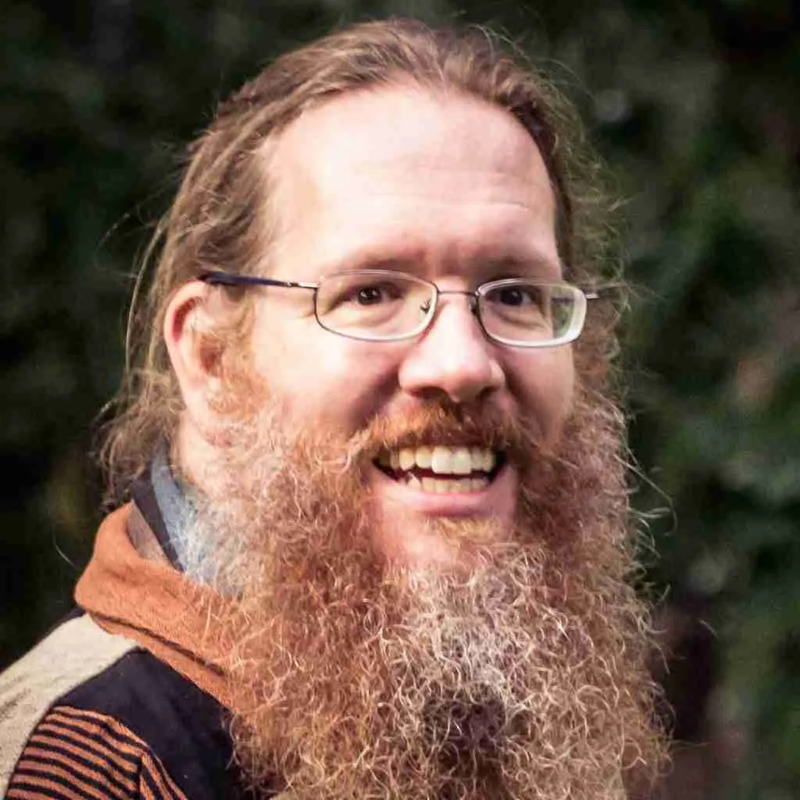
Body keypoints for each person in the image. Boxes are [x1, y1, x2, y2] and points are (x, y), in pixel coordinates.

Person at [0, 17, 667, 800]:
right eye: (372, 293)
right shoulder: (88, 770)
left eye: (515, 294)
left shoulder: (514, 720)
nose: (460, 363)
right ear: (212, 358)